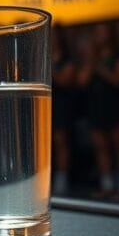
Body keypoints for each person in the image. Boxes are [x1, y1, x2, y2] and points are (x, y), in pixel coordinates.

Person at [76, 23, 119, 199]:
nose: (101, 35)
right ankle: (107, 185)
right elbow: (81, 82)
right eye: (98, 32)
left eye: (104, 32)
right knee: (101, 147)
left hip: (116, 105)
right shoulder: (91, 57)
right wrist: (91, 63)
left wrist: (99, 68)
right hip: (96, 106)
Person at [52, 26, 76, 195]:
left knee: (61, 142)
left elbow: (65, 80)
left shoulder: (67, 59)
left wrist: (49, 70)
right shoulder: (41, 56)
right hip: (48, 105)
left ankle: (62, 179)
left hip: (61, 104)